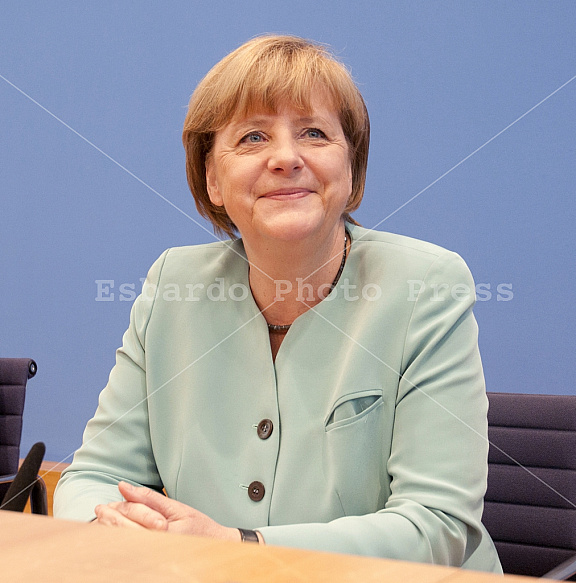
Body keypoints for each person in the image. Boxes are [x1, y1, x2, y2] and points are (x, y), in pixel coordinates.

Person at [54, 35, 502, 572]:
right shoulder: (173, 283)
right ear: (212, 178)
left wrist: (240, 548)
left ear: (352, 169)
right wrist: (109, 526)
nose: (286, 158)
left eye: (314, 132)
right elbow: (92, 479)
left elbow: (437, 524)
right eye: (252, 137)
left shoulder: (427, 285)